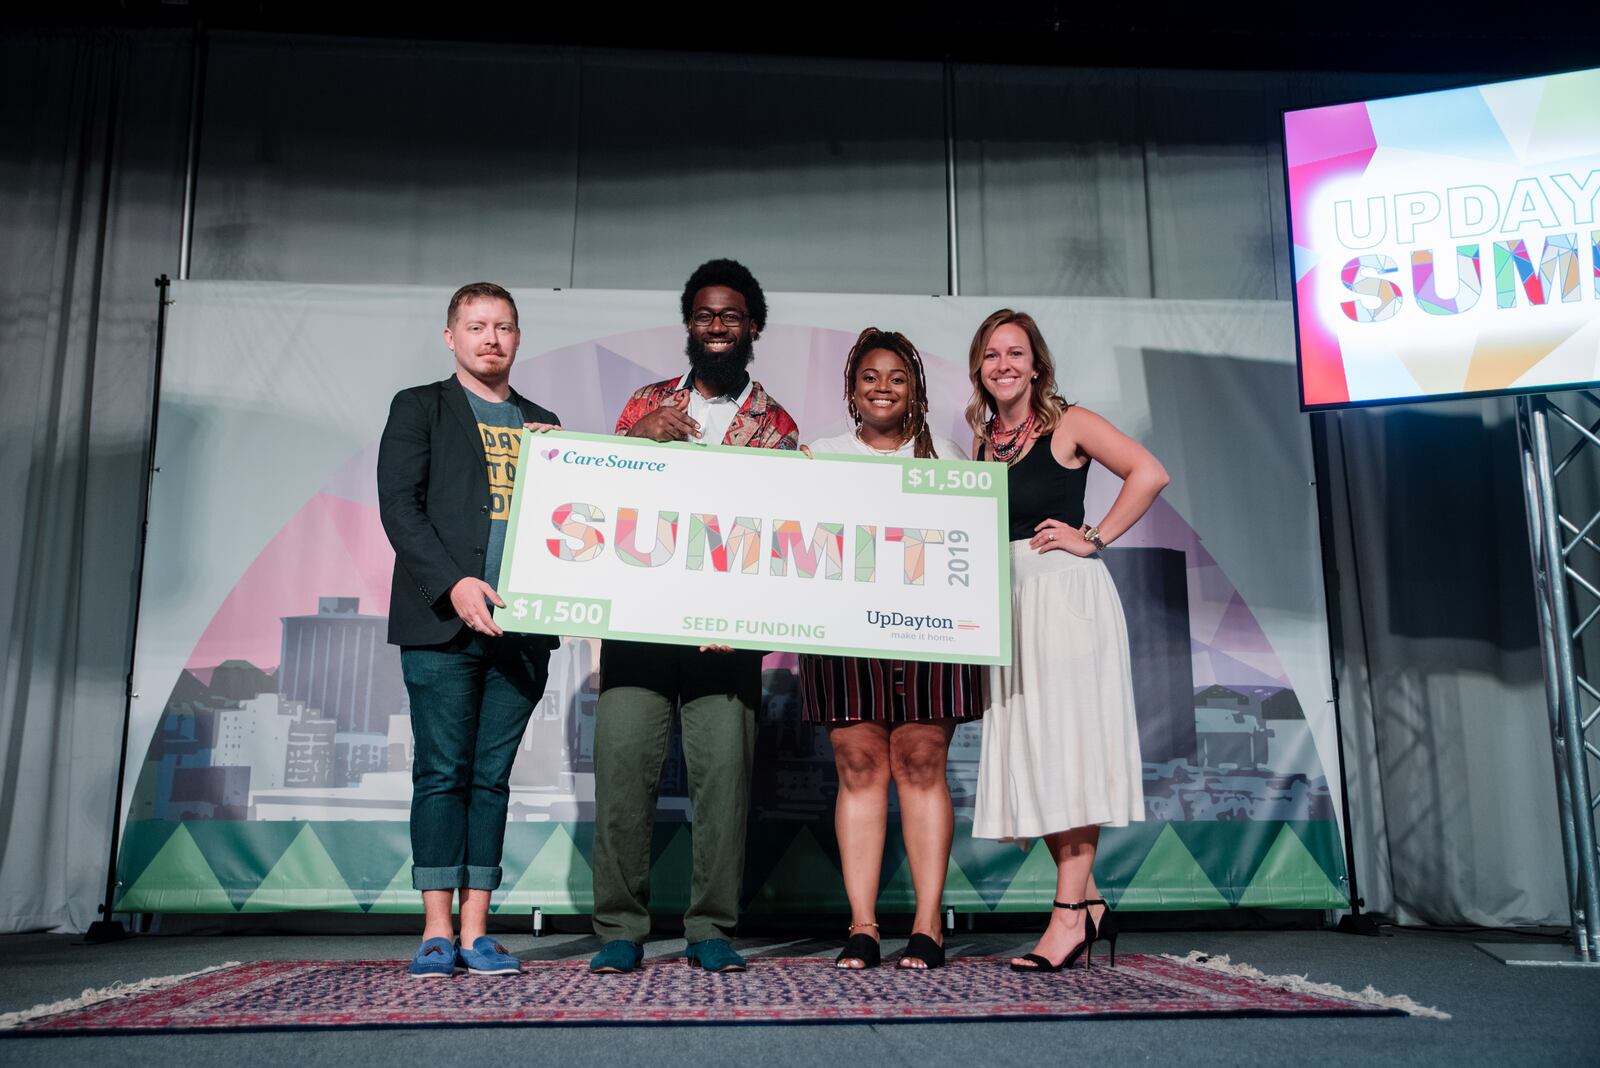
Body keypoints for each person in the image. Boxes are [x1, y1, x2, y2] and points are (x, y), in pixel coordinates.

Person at [588, 258, 799, 975]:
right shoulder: (643, 403)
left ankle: (712, 927)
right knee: (622, 775)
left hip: (728, 637)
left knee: (724, 783)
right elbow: (596, 497)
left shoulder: (777, 424)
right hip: (641, 625)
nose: (716, 326)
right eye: (705, 314)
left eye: (731, 315)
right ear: (689, 324)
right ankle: (621, 926)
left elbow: (786, 536)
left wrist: (749, 615)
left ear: (753, 327)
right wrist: (635, 440)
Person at [965, 308, 1168, 973]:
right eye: (991, 354)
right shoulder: (983, 439)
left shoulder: (1069, 423)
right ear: (980, 367)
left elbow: (1148, 472)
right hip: (1011, 603)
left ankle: (1066, 919)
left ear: (1036, 363)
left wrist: (1096, 536)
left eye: (1015, 352)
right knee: (1040, 758)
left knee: (1070, 754)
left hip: (1066, 596)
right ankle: (1091, 906)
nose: (1003, 364)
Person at [377, 282, 560, 978]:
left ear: (517, 338)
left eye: (504, 326)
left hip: (522, 632)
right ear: (449, 336)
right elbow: (400, 506)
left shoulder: (544, 423)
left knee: (491, 779)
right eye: (476, 326)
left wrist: (564, 463)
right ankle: (434, 929)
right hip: (440, 628)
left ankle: (478, 930)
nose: (491, 338)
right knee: (441, 774)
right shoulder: (419, 407)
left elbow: (573, 527)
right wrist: (453, 585)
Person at [798, 328, 982, 971]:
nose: (883, 387)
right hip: (844, 632)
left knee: (923, 762)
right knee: (858, 767)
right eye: (871, 377)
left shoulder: (953, 462)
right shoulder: (818, 455)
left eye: (897, 378)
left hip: (931, 633)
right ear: (852, 389)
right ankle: (864, 927)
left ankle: (928, 927)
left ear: (916, 391)